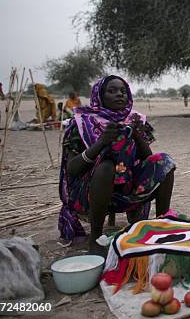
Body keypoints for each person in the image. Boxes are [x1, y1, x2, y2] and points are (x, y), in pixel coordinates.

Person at [58, 75, 176, 256]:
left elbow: (148, 159)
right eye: (111, 91)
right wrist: (101, 143)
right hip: (90, 192)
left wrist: (136, 134)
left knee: (164, 161)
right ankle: (96, 237)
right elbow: (73, 169)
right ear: (99, 96)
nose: (119, 95)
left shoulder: (135, 120)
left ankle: (161, 224)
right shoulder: (81, 123)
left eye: (123, 91)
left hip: (127, 188)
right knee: (106, 167)